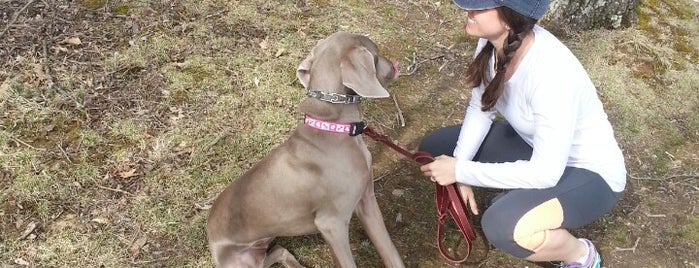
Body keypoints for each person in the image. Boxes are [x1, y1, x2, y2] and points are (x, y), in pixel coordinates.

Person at [418, 0, 627, 267]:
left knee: (502, 226)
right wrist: (459, 164)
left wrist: (461, 171)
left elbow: (546, 172)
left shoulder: (551, 74)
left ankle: (580, 255)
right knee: (434, 148)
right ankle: (520, 195)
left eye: (480, 7)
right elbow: (481, 108)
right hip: (536, 148)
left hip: (589, 175)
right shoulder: (491, 43)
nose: (468, 11)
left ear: (508, 18)